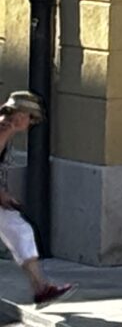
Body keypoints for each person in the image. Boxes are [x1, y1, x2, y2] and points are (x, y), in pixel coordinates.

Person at [0, 93, 71, 306]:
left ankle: (41, 289)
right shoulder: (3, 129)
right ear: (21, 114)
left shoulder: (5, 128)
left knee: (20, 231)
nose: (30, 123)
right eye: (30, 118)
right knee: (19, 231)